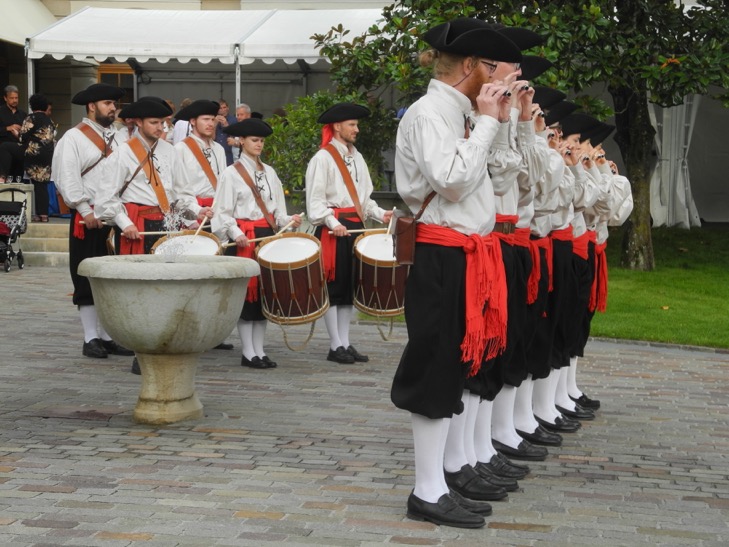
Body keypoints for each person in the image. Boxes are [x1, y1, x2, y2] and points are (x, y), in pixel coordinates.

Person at [390, 18, 520, 528]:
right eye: (494, 66)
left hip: (468, 254)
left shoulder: (462, 114)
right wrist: (486, 123)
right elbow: (451, 181)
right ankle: (426, 490)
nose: (501, 76)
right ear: (470, 65)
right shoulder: (429, 113)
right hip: (442, 254)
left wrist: (498, 122)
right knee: (437, 364)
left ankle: (447, 474)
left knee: (462, 363)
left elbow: (501, 180)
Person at [94, 97, 189, 375]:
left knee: (168, 289)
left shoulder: (171, 152)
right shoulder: (123, 153)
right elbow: (105, 199)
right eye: (154, 122)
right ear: (138, 122)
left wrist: (194, 211)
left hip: (166, 224)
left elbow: (181, 192)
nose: (161, 128)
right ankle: (141, 352)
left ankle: (163, 345)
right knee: (140, 292)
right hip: (137, 226)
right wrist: (125, 223)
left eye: (163, 123)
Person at [305, 102, 392, 365]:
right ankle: (335, 345)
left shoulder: (358, 157)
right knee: (334, 289)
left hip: (355, 228)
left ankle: (344, 342)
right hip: (334, 230)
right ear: (336, 126)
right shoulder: (322, 158)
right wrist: (332, 222)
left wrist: (381, 214)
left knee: (349, 289)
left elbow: (364, 199)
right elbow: (315, 203)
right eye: (352, 125)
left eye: (356, 124)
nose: (357, 129)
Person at [51, 82, 133, 360]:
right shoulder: (73, 138)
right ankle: (90, 338)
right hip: (88, 218)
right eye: (108, 103)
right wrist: (85, 210)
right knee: (86, 276)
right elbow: (67, 177)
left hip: (116, 215)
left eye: (114, 104)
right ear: (91, 106)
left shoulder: (120, 138)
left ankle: (108, 336)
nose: (113, 108)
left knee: (111, 278)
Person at [212, 118, 301, 368]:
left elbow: (277, 210)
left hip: (267, 237)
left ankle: (260, 350)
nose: (259, 144)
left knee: (264, 296)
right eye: (254, 140)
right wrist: (234, 232)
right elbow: (222, 212)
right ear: (241, 141)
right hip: (245, 238)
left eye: (261, 140)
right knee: (247, 297)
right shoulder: (231, 174)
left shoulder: (270, 172)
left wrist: (289, 220)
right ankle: (248, 352)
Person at [173, 99, 234, 351]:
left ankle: (211, 332)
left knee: (214, 277)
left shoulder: (219, 149)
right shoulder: (180, 149)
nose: (211, 124)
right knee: (192, 278)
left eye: (213, 119)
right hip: (194, 217)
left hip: (217, 215)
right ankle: (187, 332)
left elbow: (225, 184)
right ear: (193, 122)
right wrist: (196, 211)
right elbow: (178, 189)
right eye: (205, 119)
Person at [19, 94, 55, 222]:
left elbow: (22, 137)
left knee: (34, 183)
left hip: (34, 153)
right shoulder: (49, 120)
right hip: (47, 154)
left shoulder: (31, 118)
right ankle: (44, 214)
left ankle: (35, 213)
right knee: (42, 185)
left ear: (32, 105)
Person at [0, 85, 27, 182]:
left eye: (16, 98)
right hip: (3, 155)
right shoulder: (1, 112)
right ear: (5, 98)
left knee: (18, 181)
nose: (14, 100)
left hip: (18, 154)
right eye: (12, 98)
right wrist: (7, 128)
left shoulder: (23, 114)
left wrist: (21, 131)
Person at [214, 99, 237, 165]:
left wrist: (227, 126)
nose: (223, 110)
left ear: (228, 108)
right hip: (215, 152)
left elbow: (235, 137)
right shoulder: (213, 119)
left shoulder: (234, 120)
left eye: (224, 107)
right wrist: (215, 123)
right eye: (220, 108)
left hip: (228, 153)